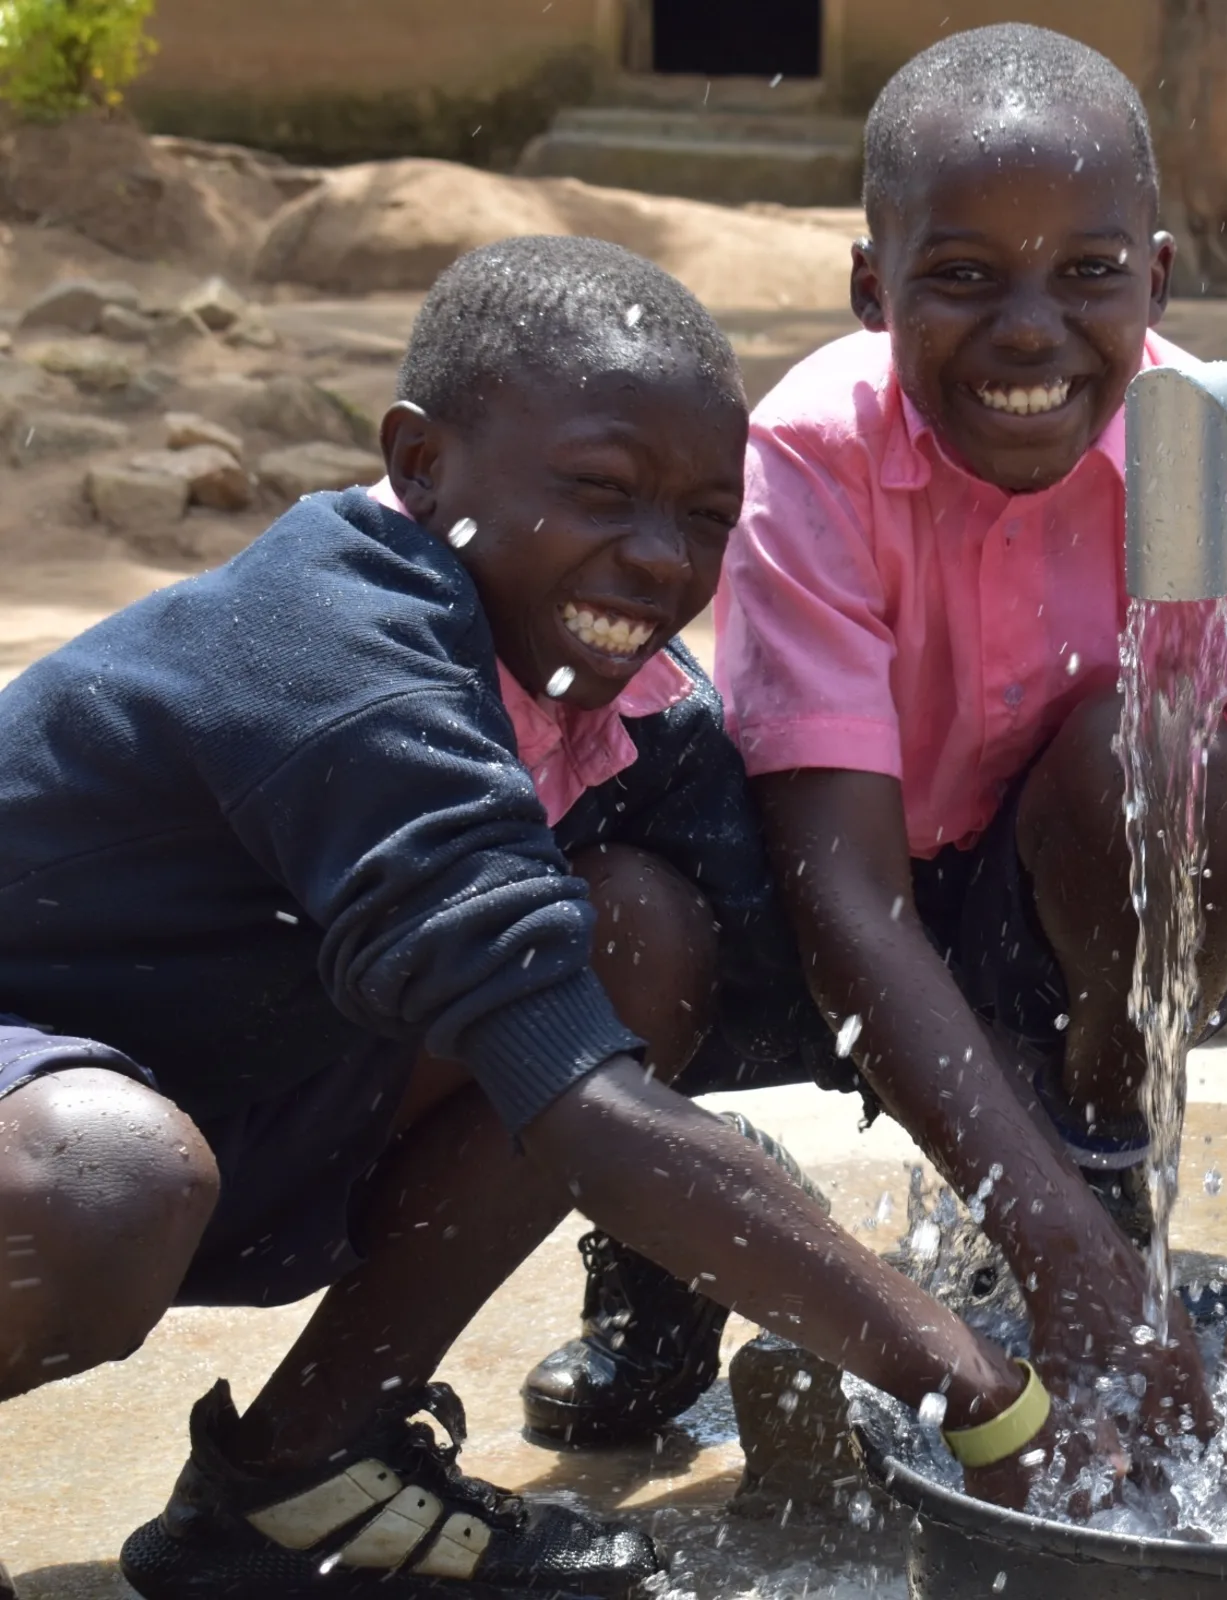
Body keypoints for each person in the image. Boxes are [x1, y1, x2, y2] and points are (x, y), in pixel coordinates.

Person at [0, 236, 1077, 1600]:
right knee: (104, 1185)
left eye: (701, 517)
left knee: (643, 934)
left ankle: (299, 1481)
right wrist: (979, 1390)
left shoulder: (604, 694)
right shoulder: (338, 658)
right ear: (420, 464)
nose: (654, 560)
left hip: (203, 1084)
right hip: (56, 1123)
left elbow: (817, 980)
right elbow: (577, 1101)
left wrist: (1077, 1238)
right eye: (599, 492)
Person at [523, 23, 1227, 1457]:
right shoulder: (809, 456)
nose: (1028, 330)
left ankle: (1100, 1144)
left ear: (1157, 279)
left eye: (1087, 274)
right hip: (828, 905)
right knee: (614, 922)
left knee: (1156, 759)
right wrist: (1058, 1269)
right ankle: (675, 1242)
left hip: (1062, 927)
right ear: (871, 288)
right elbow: (847, 906)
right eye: (962, 278)